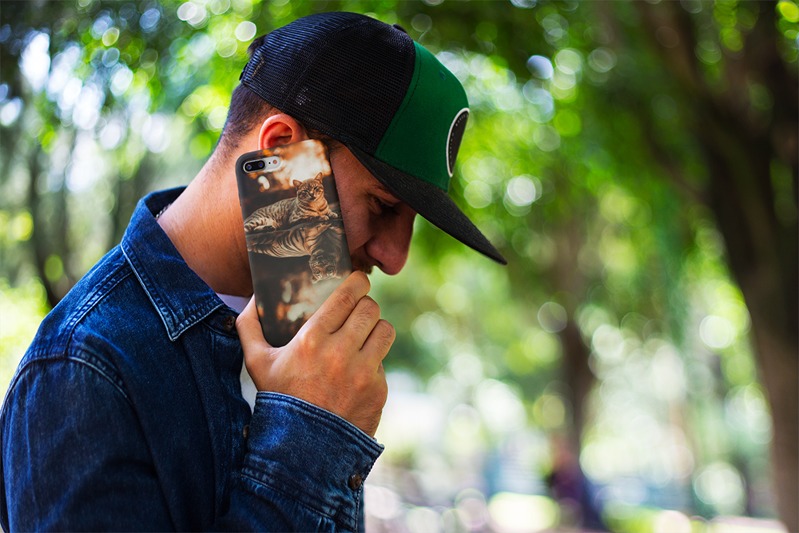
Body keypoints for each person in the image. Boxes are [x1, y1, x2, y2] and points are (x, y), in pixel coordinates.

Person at [0, 11, 506, 531]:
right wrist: (310, 432)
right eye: (382, 205)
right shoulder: (82, 368)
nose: (395, 258)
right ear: (280, 148)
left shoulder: (306, 335)